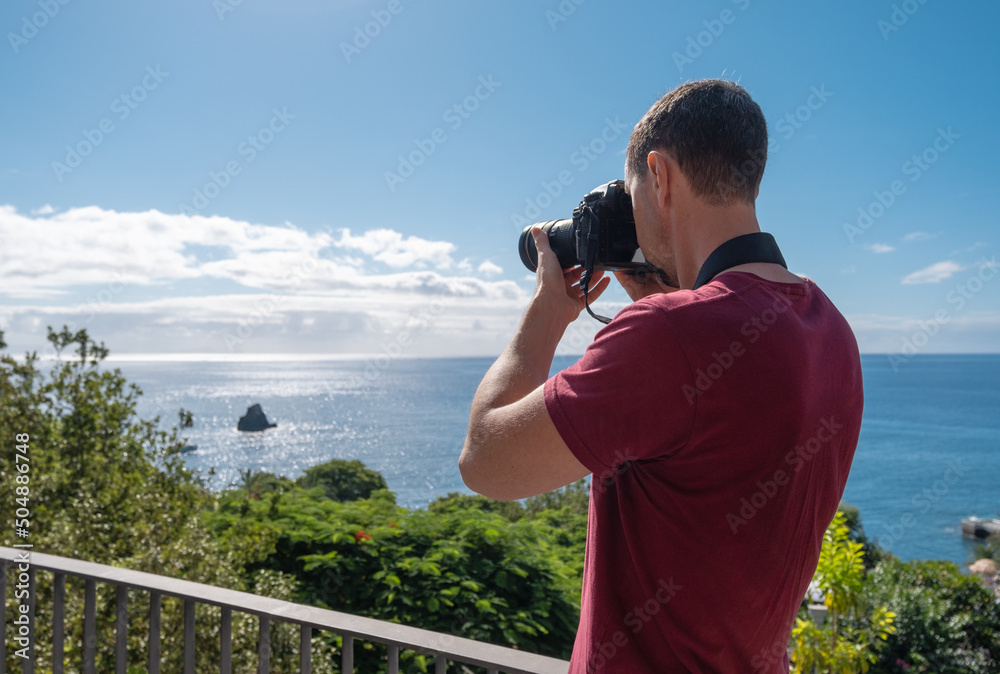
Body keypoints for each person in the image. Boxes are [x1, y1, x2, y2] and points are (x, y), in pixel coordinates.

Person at [459, 79, 863, 673]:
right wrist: (668, 297)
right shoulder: (831, 329)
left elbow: (485, 461)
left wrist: (546, 314)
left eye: (633, 192)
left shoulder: (670, 336)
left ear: (660, 174)